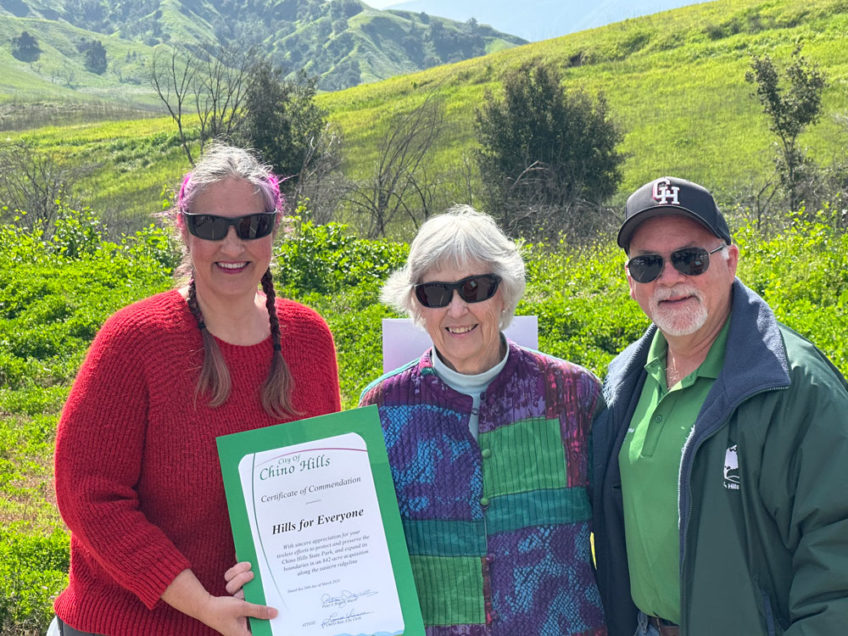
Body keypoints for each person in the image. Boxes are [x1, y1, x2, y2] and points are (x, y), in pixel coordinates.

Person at [52, 143, 341, 635]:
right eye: (210, 226)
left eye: (252, 227)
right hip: (126, 625)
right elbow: (89, 497)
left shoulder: (310, 339)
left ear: (274, 231)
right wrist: (202, 605)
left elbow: (323, 489)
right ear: (183, 230)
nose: (233, 246)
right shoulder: (134, 340)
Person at [592, 176, 848, 635]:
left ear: (730, 261)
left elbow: (838, 557)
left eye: (689, 258)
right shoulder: (620, 383)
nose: (669, 278)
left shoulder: (796, 387)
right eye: (648, 264)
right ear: (631, 282)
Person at [360, 205, 605, 634]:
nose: (457, 310)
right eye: (435, 293)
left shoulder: (573, 394)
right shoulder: (381, 409)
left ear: (505, 294)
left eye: (475, 288)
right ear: (416, 306)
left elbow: (620, 531)